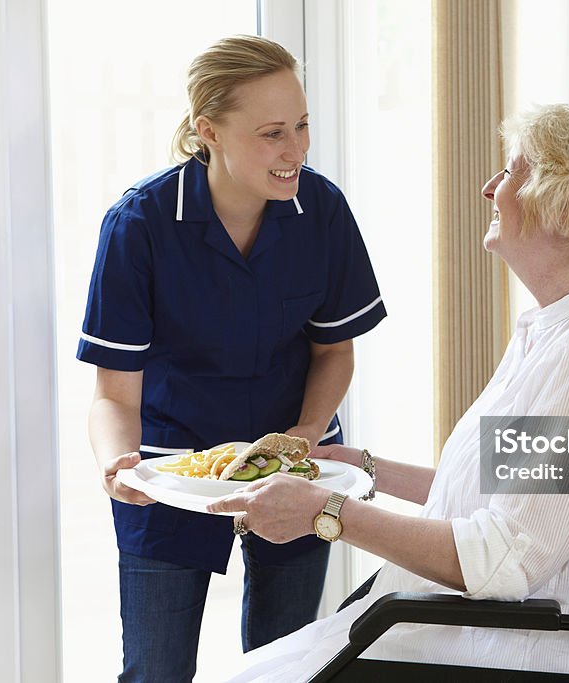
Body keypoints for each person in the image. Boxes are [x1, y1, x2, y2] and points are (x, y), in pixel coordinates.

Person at [206, 97, 569, 681]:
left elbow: (503, 559)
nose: (491, 187)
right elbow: (507, 502)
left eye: (514, 171)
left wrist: (326, 511)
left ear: (566, 206)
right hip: (460, 637)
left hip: (502, 657)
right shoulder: (565, 327)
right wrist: (366, 469)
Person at [76, 35, 387, 682]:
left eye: (301, 126)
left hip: (297, 458)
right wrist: (116, 464)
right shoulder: (139, 227)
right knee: (155, 670)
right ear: (207, 130)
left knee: (287, 665)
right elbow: (113, 393)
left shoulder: (321, 212)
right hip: (172, 464)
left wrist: (302, 438)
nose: (296, 149)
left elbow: (334, 350)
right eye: (273, 132)